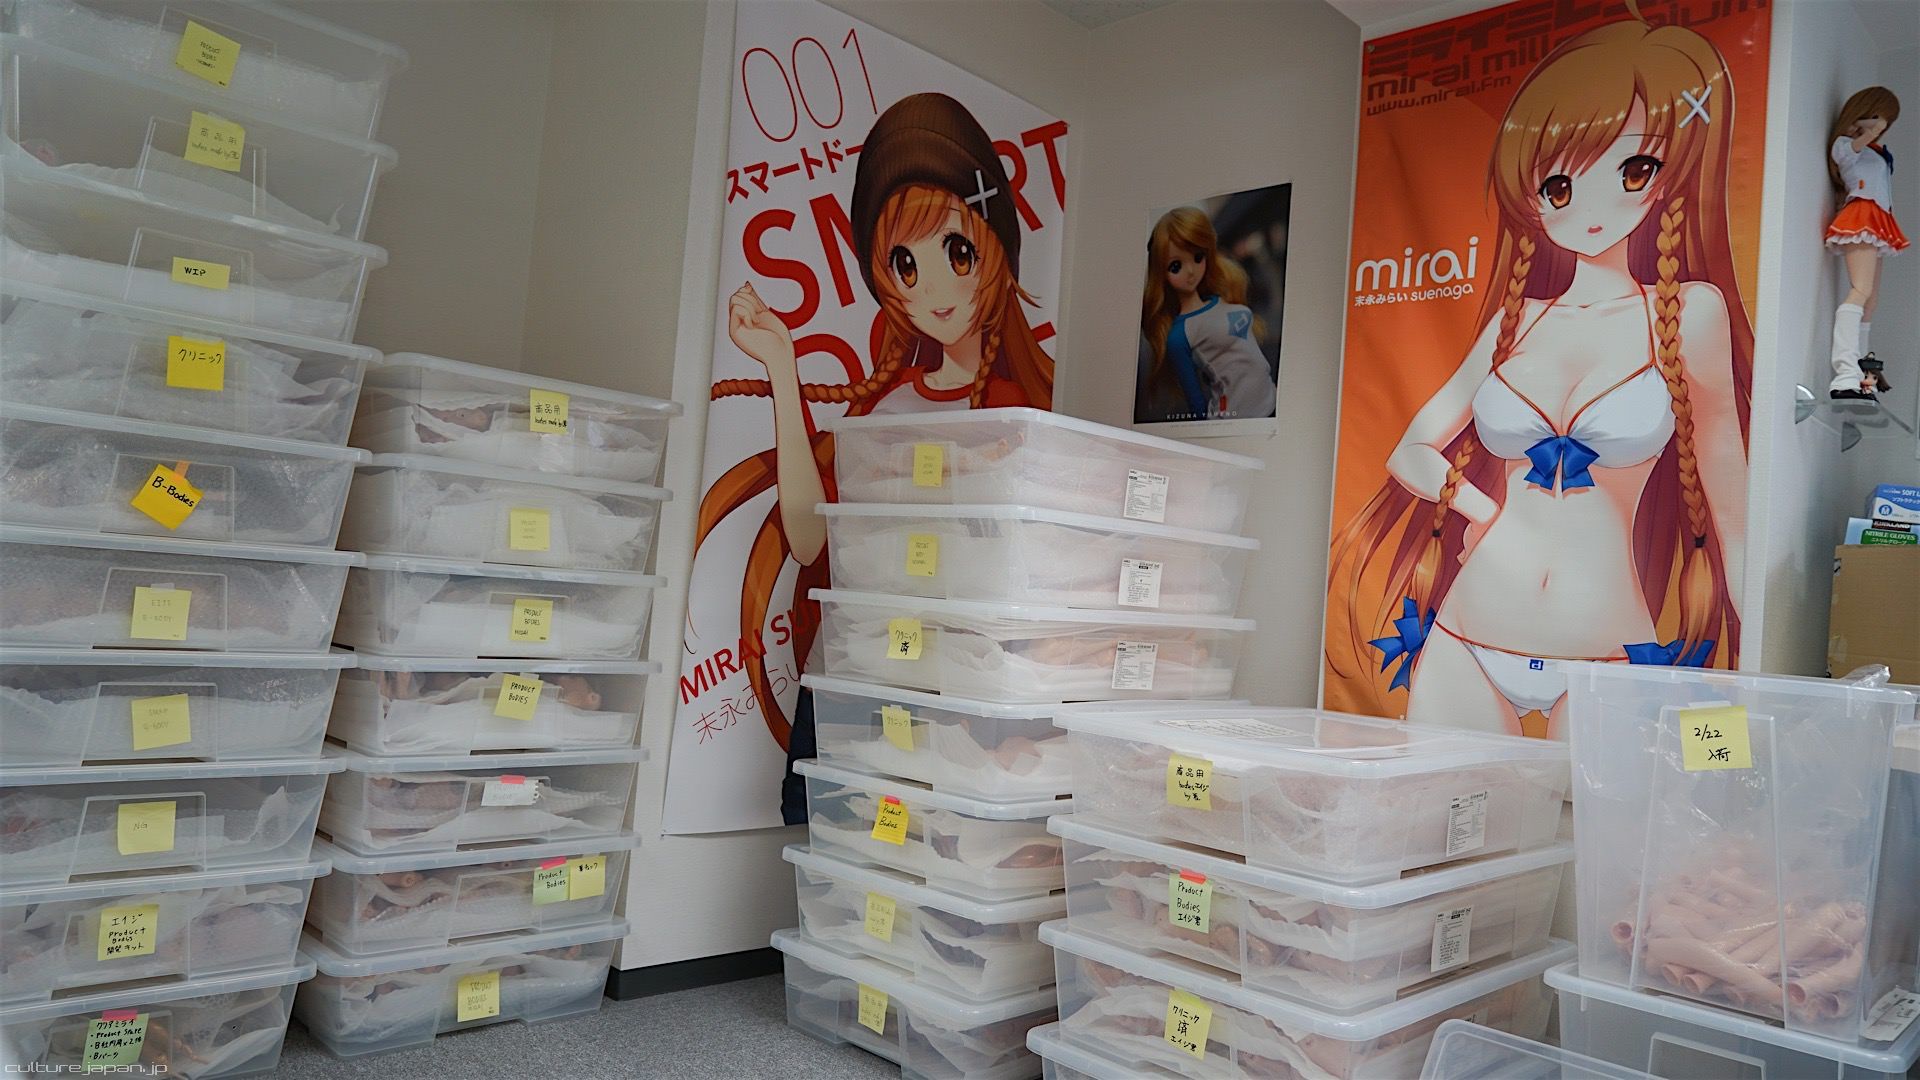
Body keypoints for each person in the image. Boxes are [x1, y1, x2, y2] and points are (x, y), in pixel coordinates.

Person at [1326, 10, 1753, 738]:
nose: (1589, 208)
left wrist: (1757, 666)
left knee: (1596, 819)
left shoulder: (1689, 315)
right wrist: (1484, 513)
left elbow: (1733, 515)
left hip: (1606, 654)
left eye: (1631, 170)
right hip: (1466, 634)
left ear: (1664, 180)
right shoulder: (1515, 320)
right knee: (1445, 811)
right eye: (1558, 186)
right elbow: (1410, 450)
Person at [702, 92, 1054, 819]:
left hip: (955, 687)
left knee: (935, 852)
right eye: (905, 264)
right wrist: (781, 366)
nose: (936, 289)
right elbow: (812, 541)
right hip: (861, 672)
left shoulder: (1024, 412)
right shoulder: (884, 410)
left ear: (994, 245)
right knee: (842, 849)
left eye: (957, 251)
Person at [1138, 207, 1276, 422]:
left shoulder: (1221, 298)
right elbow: (1195, 400)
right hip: (1237, 419)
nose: (1190, 271)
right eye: (1176, 266)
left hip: (1271, 400)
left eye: (1197, 257)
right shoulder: (1180, 335)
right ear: (1161, 273)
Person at [1825, 86, 1904, 399]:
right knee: (1861, 290)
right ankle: (1844, 371)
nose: (1882, 124)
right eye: (1877, 115)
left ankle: (1860, 373)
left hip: (1878, 218)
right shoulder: (1845, 145)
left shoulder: (1875, 150)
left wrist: (1874, 131)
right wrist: (1870, 127)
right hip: (1862, 215)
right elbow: (1852, 149)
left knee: (1870, 300)